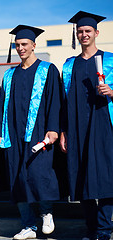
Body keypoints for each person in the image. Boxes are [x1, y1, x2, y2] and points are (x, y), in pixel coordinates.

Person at [0, 25, 61, 240]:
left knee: (39, 173)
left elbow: (55, 103)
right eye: (18, 45)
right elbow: (1, 107)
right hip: (12, 133)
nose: (21, 48)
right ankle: (28, 225)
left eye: (24, 44)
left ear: (34, 45)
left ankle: (46, 212)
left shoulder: (48, 70)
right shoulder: (9, 75)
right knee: (18, 178)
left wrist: (53, 128)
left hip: (39, 132)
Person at [60, 11, 113, 240]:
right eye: (80, 31)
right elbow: (64, 101)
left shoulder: (110, 60)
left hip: (104, 126)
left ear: (96, 33)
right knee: (81, 176)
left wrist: (112, 92)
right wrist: (63, 131)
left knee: (106, 177)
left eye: (88, 31)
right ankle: (91, 227)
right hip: (77, 128)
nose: (83, 34)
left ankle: (104, 229)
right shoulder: (69, 65)